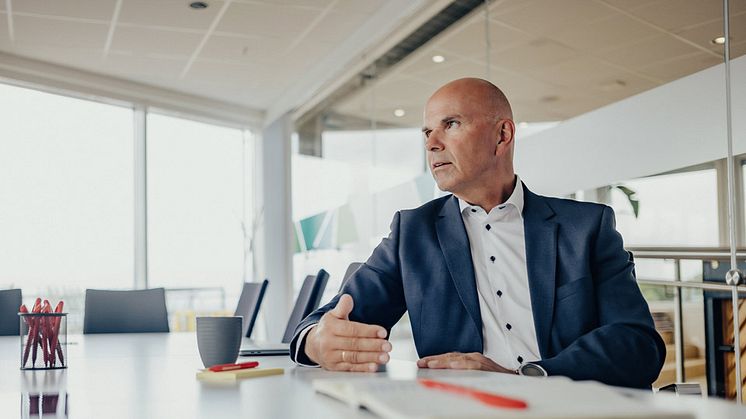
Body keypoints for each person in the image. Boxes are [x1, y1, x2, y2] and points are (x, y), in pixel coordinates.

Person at [289, 77, 665, 389]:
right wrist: (319, 341)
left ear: (502, 135)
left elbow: (637, 343)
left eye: (450, 124)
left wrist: (526, 377)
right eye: (427, 132)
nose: (431, 143)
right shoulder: (412, 232)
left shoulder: (585, 227)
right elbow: (329, 320)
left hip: (567, 407)